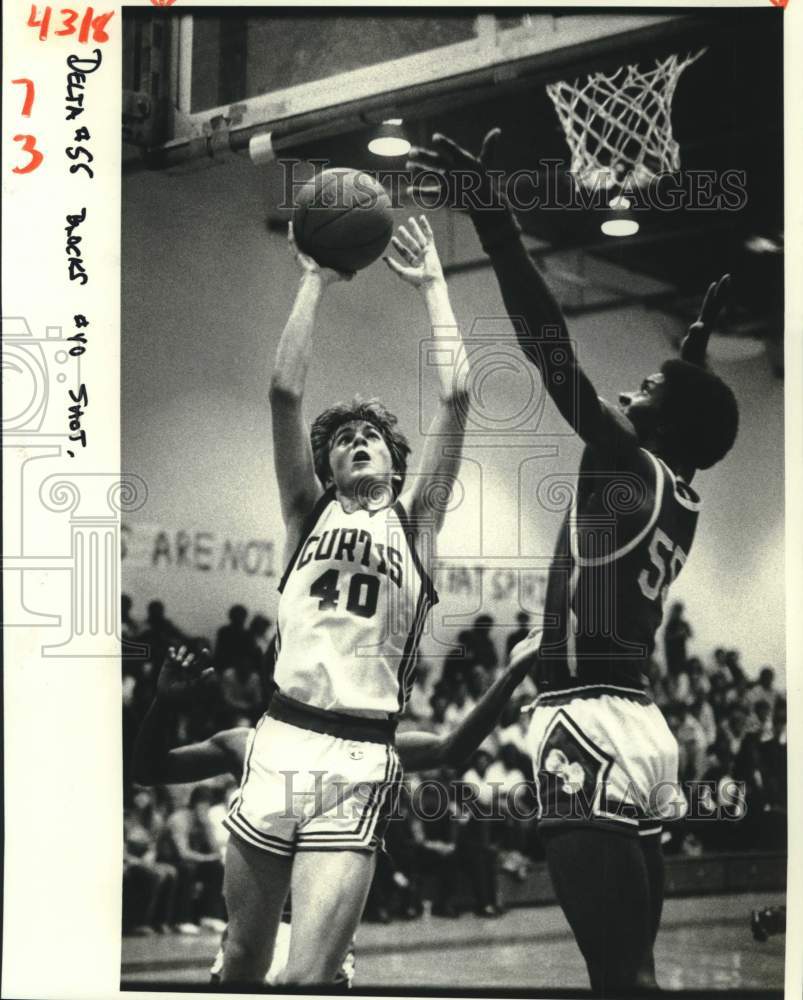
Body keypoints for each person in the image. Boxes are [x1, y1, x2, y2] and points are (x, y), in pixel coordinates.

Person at [407, 129, 739, 993]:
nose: (626, 397)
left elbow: (550, 352)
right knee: (637, 976)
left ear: (656, 427)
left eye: (645, 394)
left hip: (586, 724)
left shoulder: (625, 460)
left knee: (616, 982)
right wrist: (692, 350)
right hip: (642, 728)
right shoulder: (680, 490)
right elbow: (689, 425)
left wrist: (497, 228)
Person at [218, 215, 474, 985]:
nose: (357, 438)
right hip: (279, 737)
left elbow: (457, 394)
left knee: (300, 979)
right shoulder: (308, 513)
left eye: (371, 434)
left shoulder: (417, 520)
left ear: (396, 464)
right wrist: (314, 277)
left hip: (361, 751)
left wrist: (433, 285)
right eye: (342, 437)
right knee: (239, 963)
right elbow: (282, 391)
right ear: (326, 468)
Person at [132, 644, 530, 983]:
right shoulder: (246, 743)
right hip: (252, 939)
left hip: (319, 940)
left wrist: (511, 675)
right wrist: (163, 705)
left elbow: (451, 749)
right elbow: (148, 770)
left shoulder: (369, 749)